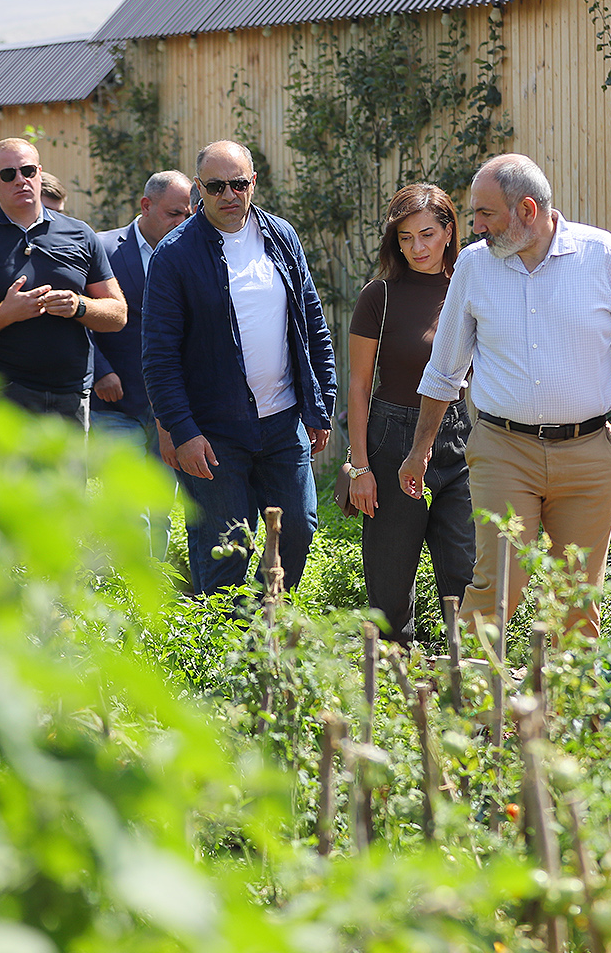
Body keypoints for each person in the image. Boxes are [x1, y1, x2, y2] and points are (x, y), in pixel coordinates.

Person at [400, 154, 611, 638]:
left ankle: (568, 689)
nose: (475, 227)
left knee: (576, 596)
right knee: (498, 583)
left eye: (485, 214)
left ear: (527, 210)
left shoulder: (602, 256)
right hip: (503, 449)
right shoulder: (474, 265)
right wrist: (419, 451)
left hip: (589, 455)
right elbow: (445, 368)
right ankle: (470, 685)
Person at [142, 140, 336, 596]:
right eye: (215, 186)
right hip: (214, 434)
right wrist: (183, 432)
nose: (229, 195)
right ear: (198, 189)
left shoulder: (281, 236)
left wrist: (321, 403)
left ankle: (265, 624)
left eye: (238, 184)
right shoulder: (174, 255)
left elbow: (312, 323)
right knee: (226, 548)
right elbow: (159, 356)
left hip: (283, 421)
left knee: (299, 528)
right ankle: (220, 639)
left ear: (254, 182)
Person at [344, 183, 474, 645]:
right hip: (391, 437)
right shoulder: (378, 296)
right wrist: (360, 469)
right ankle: (394, 677)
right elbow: (359, 387)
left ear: (448, 231)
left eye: (426, 234)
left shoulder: (468, 289)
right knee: (390, 578)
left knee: (464, 569)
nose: (416, 247)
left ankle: (466, 673)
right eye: (405, 238)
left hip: (457, 437)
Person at [0, 138, 126, 427]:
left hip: (71, 395)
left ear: (39, 172)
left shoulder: (80, 234)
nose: (20, 180)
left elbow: (118, 314)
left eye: (27, 171)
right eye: (8, 174)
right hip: (5, 399)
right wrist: (5, 313)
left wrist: (79, 306)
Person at [92, 170, 193, 452]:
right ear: (146, 206)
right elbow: (79, 318)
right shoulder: (103, 249)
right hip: (115, 405)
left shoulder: (193, 255)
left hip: (174, 408)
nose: (181, 223)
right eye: (174, 213)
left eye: (188, 215)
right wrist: (100, 371)